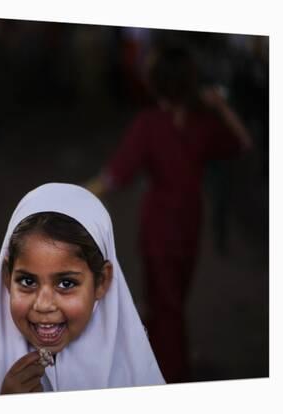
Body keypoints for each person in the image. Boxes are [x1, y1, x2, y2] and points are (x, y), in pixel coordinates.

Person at [84, 46, 253, 383]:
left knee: (165, 307)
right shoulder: (204, 124)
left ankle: (170, 373)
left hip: (159, 228)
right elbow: (243, 143)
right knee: (172, 302)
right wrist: (221, 107)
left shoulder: (149, 124)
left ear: (157, 82)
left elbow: (114, 176)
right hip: (190, 225)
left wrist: (76, 192)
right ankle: (161, 358)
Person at [0, 183, 165, 397]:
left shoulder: (137, 384)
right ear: (7, 278)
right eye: (27, 281)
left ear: (101, 281)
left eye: (66, 284)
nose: (43, 304)